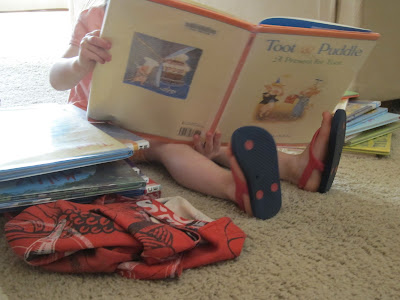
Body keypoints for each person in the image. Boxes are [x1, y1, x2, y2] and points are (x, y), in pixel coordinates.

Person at [49, 4, 346, 220]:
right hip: (104, 126)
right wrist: (79, 63)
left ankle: (299, 170)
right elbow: (56, 79)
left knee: (215, 137)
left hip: (165, 117)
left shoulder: (185, 17)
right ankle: (233, 188)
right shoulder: (95, 16)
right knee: (172, 147)